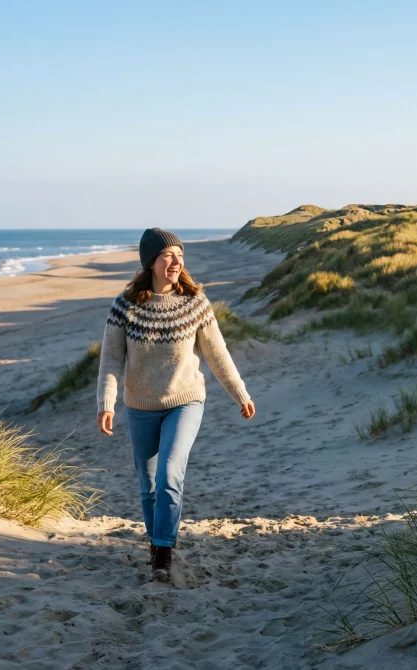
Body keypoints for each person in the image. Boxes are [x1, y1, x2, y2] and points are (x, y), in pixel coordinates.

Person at [96, 228, 256, 582]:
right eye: (168, 255)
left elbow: (218, 355)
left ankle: (163, 552)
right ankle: (156, 543)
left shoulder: (195, 303)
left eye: (179, 254)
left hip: (185, 401)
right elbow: (110, 361)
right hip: (140, 406)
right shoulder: (125, 307)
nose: (176, 261)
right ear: (150, 262)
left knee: (170, 473)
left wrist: (240, 394)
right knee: (148, 484)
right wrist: (106, 403)